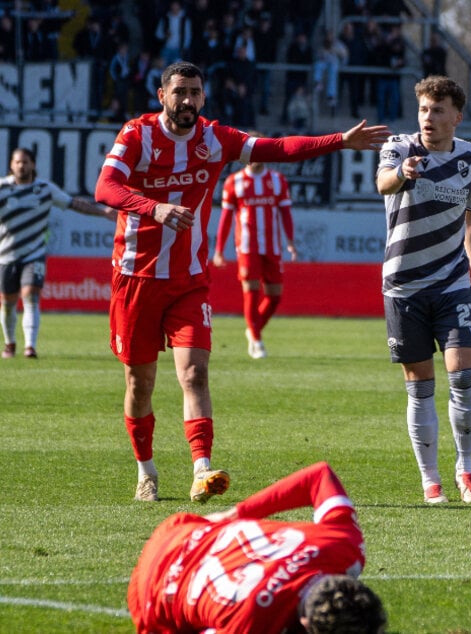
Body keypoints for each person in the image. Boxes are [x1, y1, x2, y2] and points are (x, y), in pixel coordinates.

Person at [95, 60, 390, 504]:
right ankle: (146, 469)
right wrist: (155, 209)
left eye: (196, 92)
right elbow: (105, 188)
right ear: (162, 96)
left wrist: (340, 141)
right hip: (135, 278)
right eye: (180, 92)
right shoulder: (137, 135)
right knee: (140, 383)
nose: (188, 100)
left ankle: (201, 469)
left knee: (194, 373)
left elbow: (280, 148)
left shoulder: (214, 139)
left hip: (189, 282)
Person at [376, 75, 471, 504]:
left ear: (456, 117)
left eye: (438, 110)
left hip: (453, 282)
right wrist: (402, 174)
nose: (429, 117)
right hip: (403, 285)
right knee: (420, 383)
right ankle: (430, 479)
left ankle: (466, 467)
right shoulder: (401, 149)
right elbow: (382, 183)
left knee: (463, 374)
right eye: (423, 109)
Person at [128, 461, 387, 634]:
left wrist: (236, 514)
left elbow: (319, 475)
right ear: (306, 624)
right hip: (151, 592)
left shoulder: (345, 545)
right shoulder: (253, 623)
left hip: (184, 529)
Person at [0, 148, 116, 359]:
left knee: (31, 295)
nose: (21, 166)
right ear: (11, 165)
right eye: (17, 162)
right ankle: (10, 344)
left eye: (25, 162)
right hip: (6, 255)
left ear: (33, 164)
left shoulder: (44, 189)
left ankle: (30, 347)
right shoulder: (2, 188)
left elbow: (73, 204)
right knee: (7, 303)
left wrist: (102, 213)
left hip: (33, 254)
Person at [213, 134, 297, 359]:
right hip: (247, 247)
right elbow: (225, 218)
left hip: (272, 246)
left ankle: (252, 329)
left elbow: (285, 213)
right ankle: (257, 341)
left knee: (275, 296)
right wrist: (219, 249)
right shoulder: (234, 182)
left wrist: (290, 242)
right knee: (251, 292)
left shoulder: (278, 180)